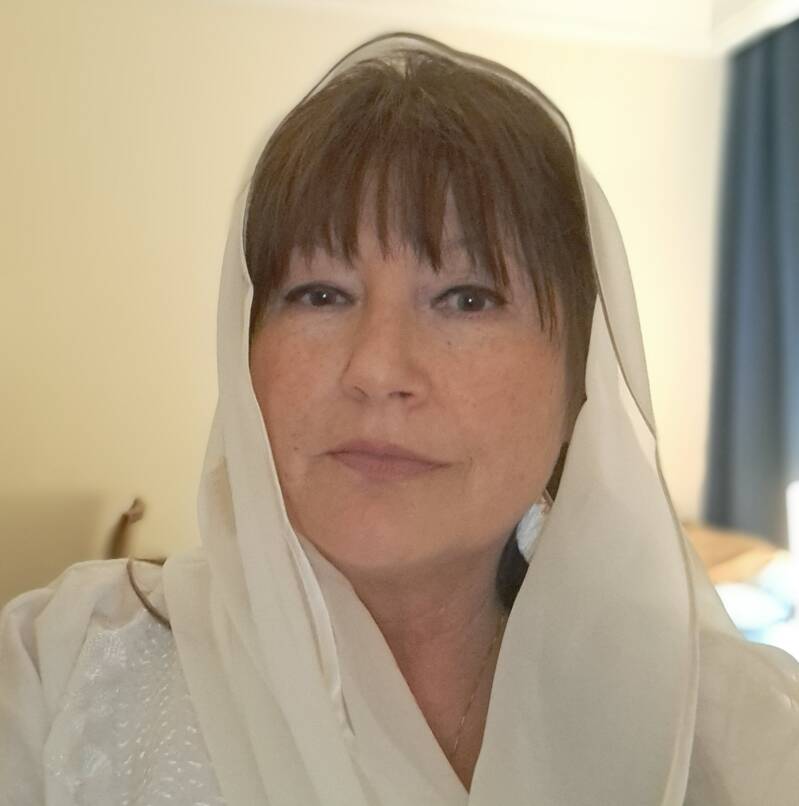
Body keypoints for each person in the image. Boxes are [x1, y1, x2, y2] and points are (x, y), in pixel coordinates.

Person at [1, 31, 797, 806]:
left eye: (467, 298)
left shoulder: (738, 737)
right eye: (319, 294)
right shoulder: (57, 675)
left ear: (579, 385)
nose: (377, 370)